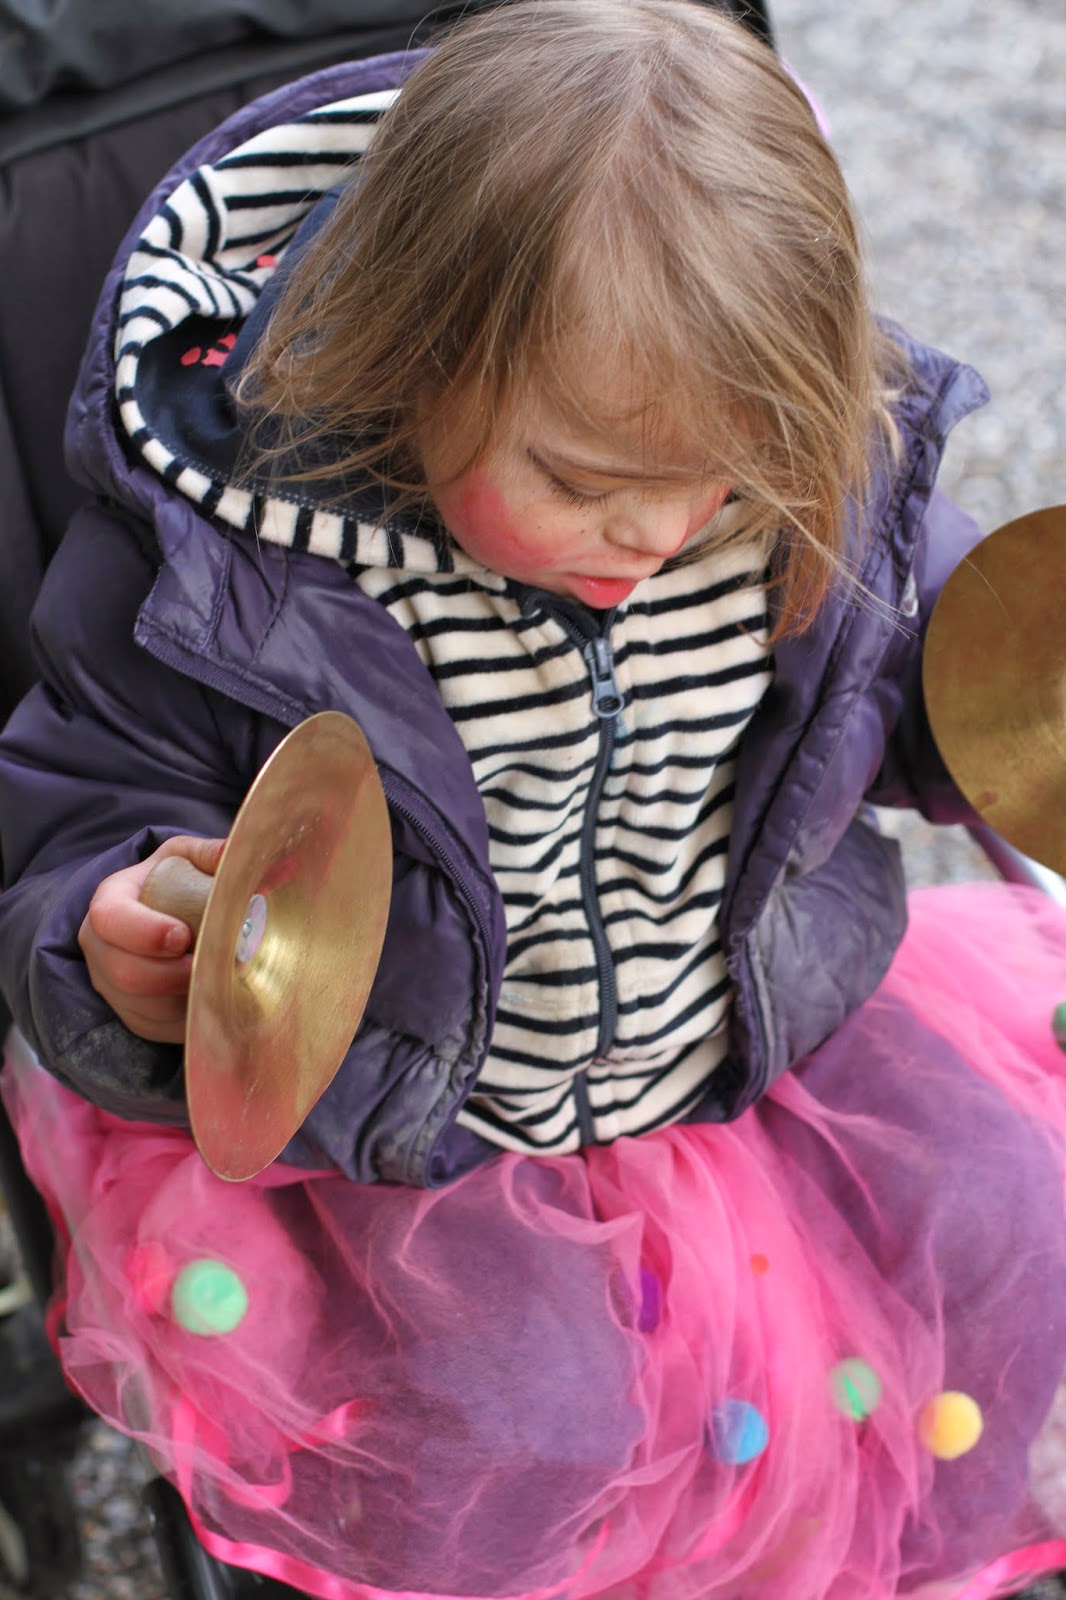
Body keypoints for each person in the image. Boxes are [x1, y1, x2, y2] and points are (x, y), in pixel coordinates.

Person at [1, 2, 1065, 1595]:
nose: (657, 530)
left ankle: (870, 1556)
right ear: (408, 355)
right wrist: (124, 926)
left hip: (750, 1028)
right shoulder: (233, 576)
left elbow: (914, 690)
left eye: (724, 476)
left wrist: (1001, 710)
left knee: (1002, 1227)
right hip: (414, 1110)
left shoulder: (791, 486)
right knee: (512, 1427)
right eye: (579, 480)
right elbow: (92, 789)